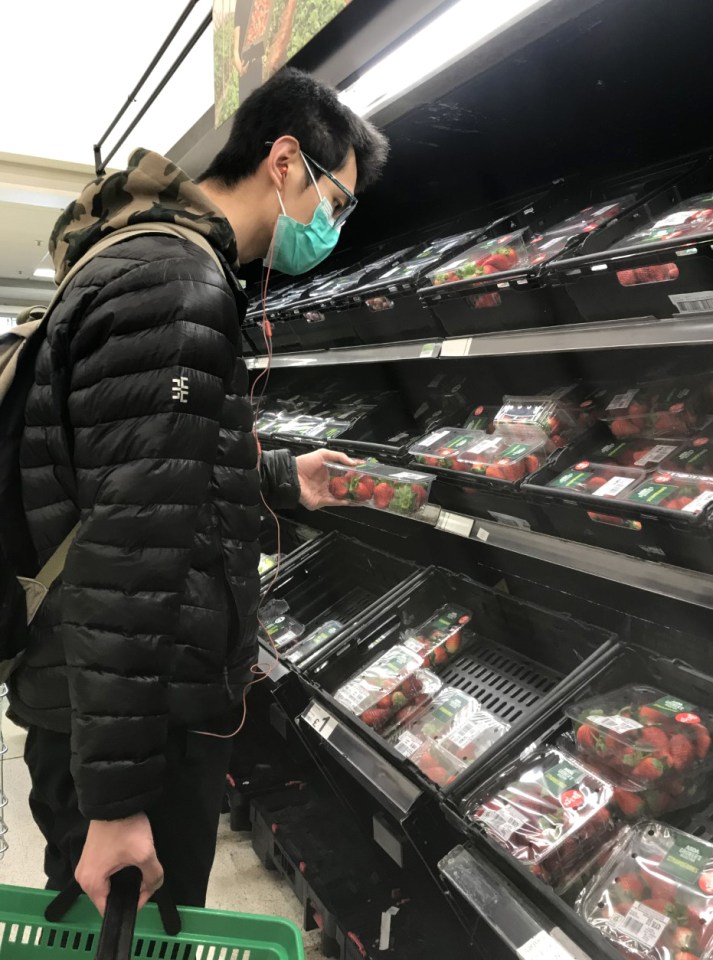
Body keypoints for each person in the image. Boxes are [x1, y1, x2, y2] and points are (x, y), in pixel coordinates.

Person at [11, 66, 388, 914]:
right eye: (337, 200)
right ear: (284, 160)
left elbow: (142, 470)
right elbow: (128, 553)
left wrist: (284, 478)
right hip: (122, 720)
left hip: (89, 694)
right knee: (127, 932)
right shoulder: (179, 287)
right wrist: (116, 803)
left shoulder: (140, 260)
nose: (333, 225)